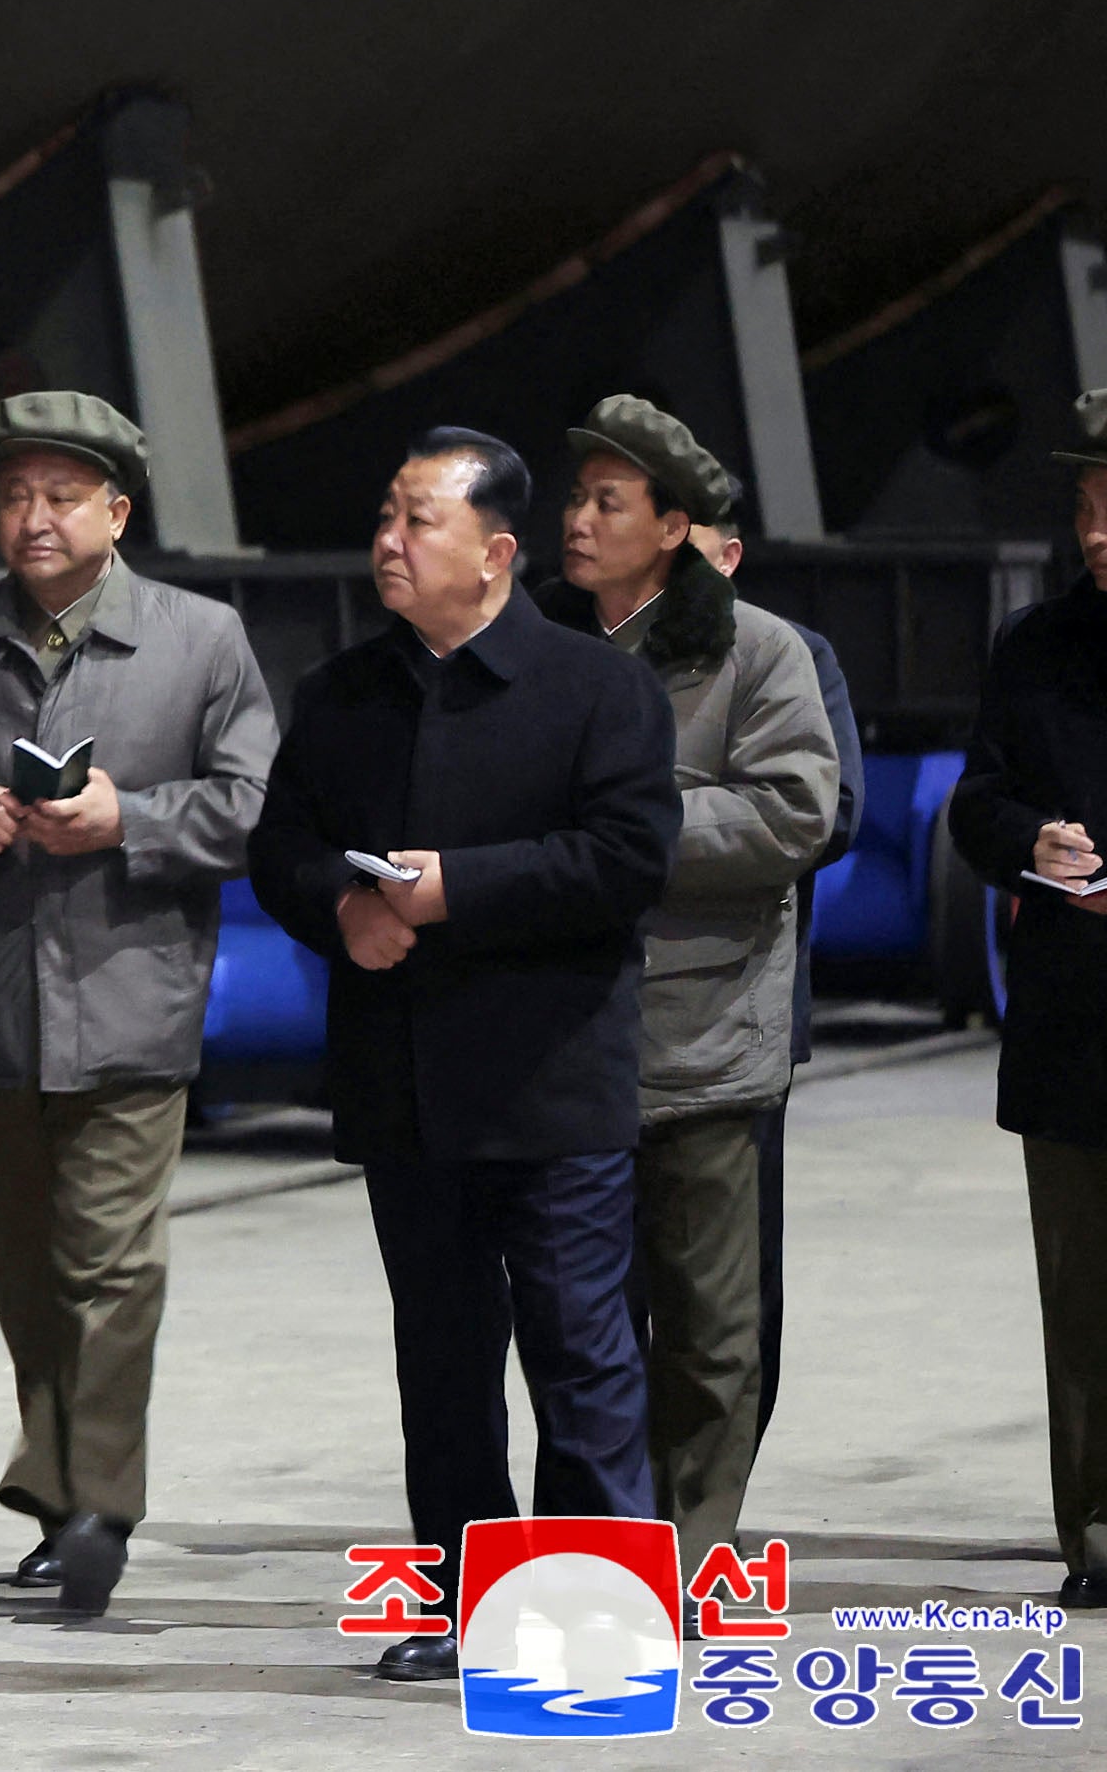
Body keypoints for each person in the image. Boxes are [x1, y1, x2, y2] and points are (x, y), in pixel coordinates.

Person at [246, 426, 680, 1684]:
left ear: (495, 553)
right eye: (386, 516)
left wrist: (455, 893)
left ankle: (600, 1615)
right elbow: (280, 847)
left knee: (580, 1353)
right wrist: (342, 905)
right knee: (441, 1361)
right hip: (405, 1084)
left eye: (418, 520)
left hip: (552, 1082)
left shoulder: (597, 690)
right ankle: (464, 1603)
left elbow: (628, 859)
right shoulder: (344, 693)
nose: (389, 542)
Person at [0, 391, 275, 1615]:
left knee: (111, 1264)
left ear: (117, 512)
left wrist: (128, 820)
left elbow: (258, 805)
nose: (33, 518)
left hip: (130, 1001)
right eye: (13, 497)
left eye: (60, 497)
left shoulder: (202, 641)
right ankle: (61, 1504)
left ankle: (96, 1504)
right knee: (28, 1273)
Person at [534, 397, 836, 1567]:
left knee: (710, 1326)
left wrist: (630, 827)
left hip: (705, 1035)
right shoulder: (538, 648)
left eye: (607, 503)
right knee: (580, 1320)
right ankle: (604, 1544)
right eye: (577, 498)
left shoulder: (759, 652)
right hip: (565, 1038)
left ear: (672, 528)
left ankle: (697, 1548)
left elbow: (796, 812)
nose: (578, 521)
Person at [943, 384, 1107, 1610]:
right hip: (1073, 1021)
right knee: (1087, 1298)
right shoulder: (1035, 645)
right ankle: (1102, 1536)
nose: (1096, 535)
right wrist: (1033, 846)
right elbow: (978, 800)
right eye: (1087, 510)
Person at [687, 508, 866, 1439]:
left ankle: (716, 1482)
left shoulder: (789, 656)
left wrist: (643, 832)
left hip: (740, 1005)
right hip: (598, 1017)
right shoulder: (584, 651)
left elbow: (830, 813)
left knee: (734, 1281)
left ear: (730, 557)